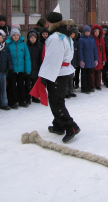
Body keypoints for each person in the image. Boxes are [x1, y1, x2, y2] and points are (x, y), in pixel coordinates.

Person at [32, 11, 80, 143]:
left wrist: (45, 76)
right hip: (63, 71)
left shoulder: (55, 38)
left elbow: (52, 60)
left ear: (50, 23)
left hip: (58, 73)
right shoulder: (65, 35)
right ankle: (58, 125)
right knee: (57, 99)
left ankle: (71, 127)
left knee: (56, 101)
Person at [6, 28, 31, 109]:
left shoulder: (23, 45)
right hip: (12, 70)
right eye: (14, 35)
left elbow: (27, 58)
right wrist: (8, 70)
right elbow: (7, 58)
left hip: (21, 69)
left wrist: (27, 70)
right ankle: (12, 101)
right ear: (11, 36)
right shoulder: (8, 45)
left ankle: (22, 100)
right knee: (12, 86)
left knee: (21, 86)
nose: (16, 37)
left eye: (17, 35)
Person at [78, 25, 98, 94]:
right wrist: (81, 60)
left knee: (89, 74)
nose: (87, 33)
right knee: (84, 75)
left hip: (91, 59)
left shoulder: (92, 39)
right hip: (85, 60)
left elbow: (95, 49)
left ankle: (89, 86)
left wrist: (96, 59)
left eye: (88, 32)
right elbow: (80, 50)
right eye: (86, 32)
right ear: (84, 32)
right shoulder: (81, 39)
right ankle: (84, 87)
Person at [26, 29, 43, 103]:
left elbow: (40, 58)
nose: (32, 39)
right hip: (28, 68)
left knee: (35, 83)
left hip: (36, 67)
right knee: (27, 84)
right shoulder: (26, 47)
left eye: (34, 38)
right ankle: (27, 97)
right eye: (31, 37)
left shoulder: (39, 47)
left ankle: (35, 97)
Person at [90, 25, 106, 90]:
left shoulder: (101, 40)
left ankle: (98, 85)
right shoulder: (91, 39)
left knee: (98, 72)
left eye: (98, 32)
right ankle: (92, 85)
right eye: (95, 31)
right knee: (92, 72)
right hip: (93, 58)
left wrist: (104, 59)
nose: (96, 33)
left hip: (100, 58)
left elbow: (103, 50)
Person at [66, 27, 79, 98]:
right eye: (71, 34)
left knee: (71, 77)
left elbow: (76, 53)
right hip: (67, 62)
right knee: (66, 77)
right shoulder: (66, 41)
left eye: (74, 34)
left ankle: (71, 91)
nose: (72, 35)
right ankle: (66, 92)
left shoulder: (75, 42)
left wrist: (76, 62)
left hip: (73, 62)